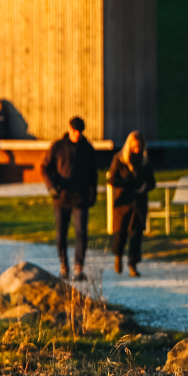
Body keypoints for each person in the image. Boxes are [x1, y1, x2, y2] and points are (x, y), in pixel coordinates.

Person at [41, 117, 97, 280]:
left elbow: (93, 173)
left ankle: (78, 268)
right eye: (74, 131)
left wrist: (92, 193)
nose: (77, 134)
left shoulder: (87, 149)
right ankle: (63, 266)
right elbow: (45, 167)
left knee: (81, 233)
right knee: (61, 234)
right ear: (69, 129)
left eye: (80, 131)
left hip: (80, 197)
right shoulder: (58, 147)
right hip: (61, 197)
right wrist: (51, 187)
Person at [107, 131, 155, 277]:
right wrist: (126, 181)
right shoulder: (119, 159)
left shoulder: (145, 161)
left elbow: (152, 182)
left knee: (136, 235)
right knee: (120, 233)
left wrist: (144, 187)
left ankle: (133, 265)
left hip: (139, 202)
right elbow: (112, 180)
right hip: (123, 202)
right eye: (134, 147)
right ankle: (118, 256)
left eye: (138, 147)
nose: (136, 150)